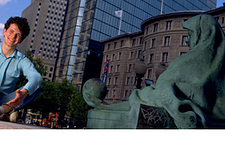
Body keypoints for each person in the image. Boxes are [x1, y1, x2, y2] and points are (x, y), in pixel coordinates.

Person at [84, 14, 225, 128]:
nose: (187, 40)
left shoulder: (188, 62)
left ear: (203, 35)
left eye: (190, 34)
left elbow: (151, 96)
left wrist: (107, 106)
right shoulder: (219, 72)